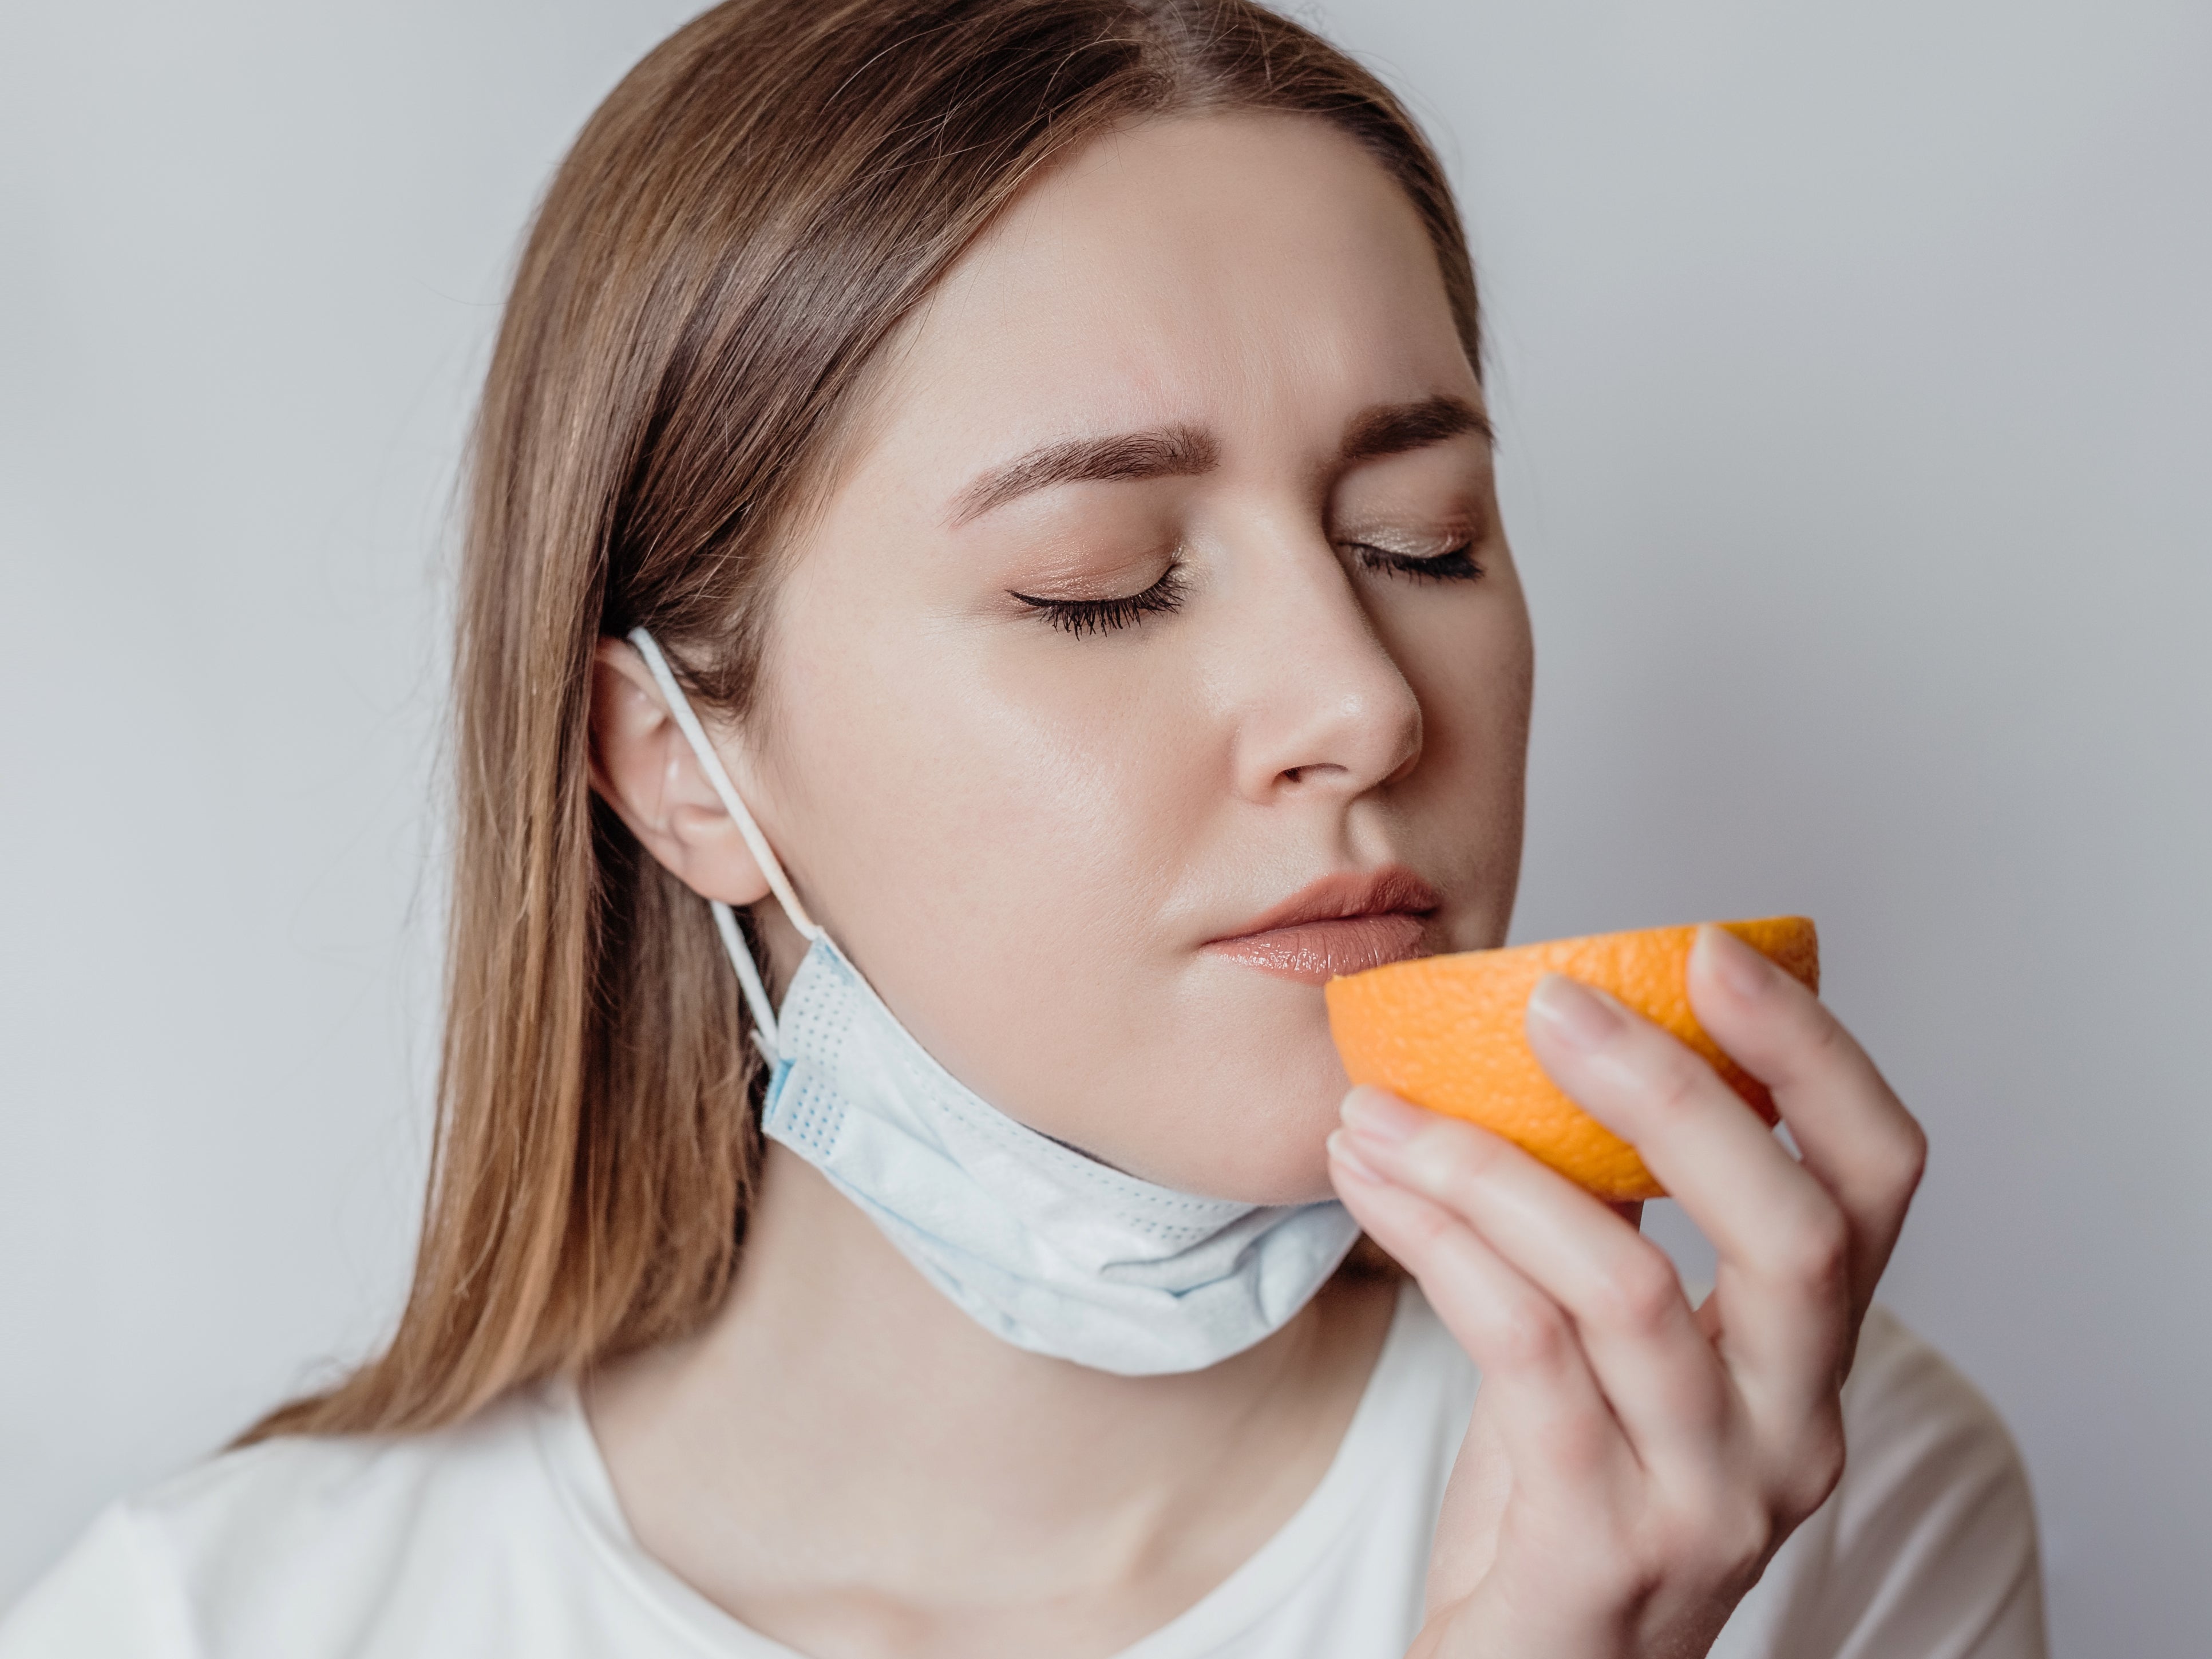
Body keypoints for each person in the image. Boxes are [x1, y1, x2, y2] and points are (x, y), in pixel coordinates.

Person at [0, 2, 2047, 1655]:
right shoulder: (219, 1621)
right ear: (681, 761)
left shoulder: (1823, 1508)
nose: (1365, 700)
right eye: (1100, 580)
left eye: (1419, 541)